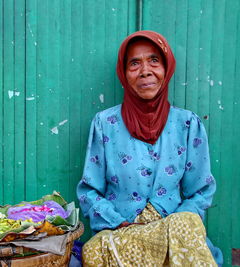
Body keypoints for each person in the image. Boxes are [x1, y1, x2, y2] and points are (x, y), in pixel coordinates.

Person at [76, 31, 223, 266]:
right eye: (134, 63)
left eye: (154, 60)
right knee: (94, 250)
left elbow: (201, 191)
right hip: (123, 233)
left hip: (172, 235)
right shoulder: (105, 124)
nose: (145, 71)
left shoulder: (187, 124)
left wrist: (175, 225)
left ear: (167, 68)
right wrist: (116, 221)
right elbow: (89, 191)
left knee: (187, 223)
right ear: (124, 74)